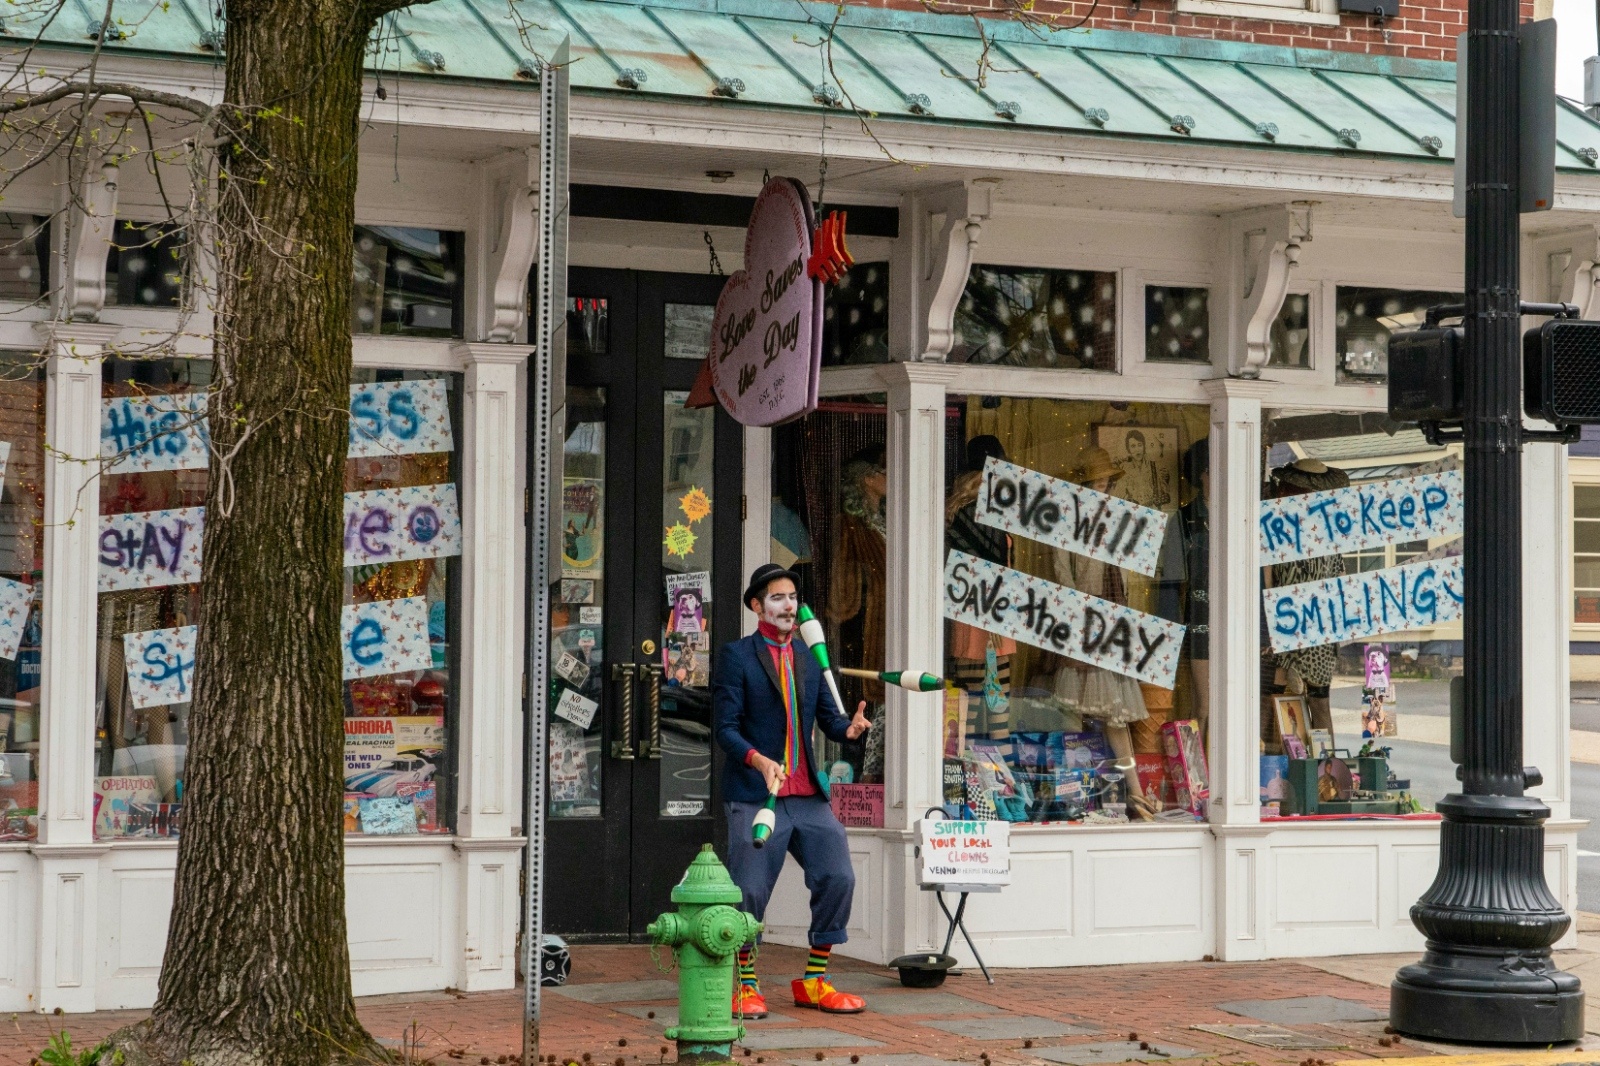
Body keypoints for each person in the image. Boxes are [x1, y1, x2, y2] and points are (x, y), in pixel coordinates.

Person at [715, 563, 874, 1017]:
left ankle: (815, 981)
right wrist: (760, 760)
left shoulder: (807, 658)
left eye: (793, 599)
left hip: (806, 795)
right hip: (756, 792)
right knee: (749, 890)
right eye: (778, 598)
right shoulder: (737, 656)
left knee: (838, 876)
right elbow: (725, 729)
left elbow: (830, 719)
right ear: (756, 605)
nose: (789, 606)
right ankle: (746, 985)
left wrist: (851, 729)